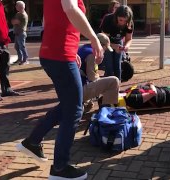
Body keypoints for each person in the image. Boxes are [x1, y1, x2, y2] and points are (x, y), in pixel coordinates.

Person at [16, 0, 103, 179]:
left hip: (56, 53)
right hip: (60, 54)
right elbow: (70, 9)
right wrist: (94, 38)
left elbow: (49, 20)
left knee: (69, 105)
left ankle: (32, 142)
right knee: (75, 109)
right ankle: (60, 168)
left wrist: (71, 52)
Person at [78, 33, 120, 111]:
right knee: (114, 81)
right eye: (105, 48)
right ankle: (107, 111)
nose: (104, 51)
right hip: (78, 91)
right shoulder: (91, 54)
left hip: (72, 88)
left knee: (104, 82)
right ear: (100, 45)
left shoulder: (84, 48)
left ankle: (84, 103)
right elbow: (92, 78)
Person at [100, 5, 134, 81]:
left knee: (118, 65)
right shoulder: (108, 19)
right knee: (109, 65)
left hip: (118, 41)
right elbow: (103, 39)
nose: (123, 23)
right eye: (120, 20)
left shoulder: (129, 23)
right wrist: (113, 46)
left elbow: (129, 38)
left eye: (125, 21)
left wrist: (126, 46)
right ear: (116, 17)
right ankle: (107, 86)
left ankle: (117, 86)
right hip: (106, 41)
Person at [12, 1, 29, 65]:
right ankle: (20, 59)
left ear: (21, 7)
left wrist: (14, 21)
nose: (16, 7)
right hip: (17, 33)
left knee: (22, 47)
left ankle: (25, 59)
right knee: (17, 47)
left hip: (21, 33)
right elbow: (13, 21)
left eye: (17, 6)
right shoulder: (18, 14)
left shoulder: (23, 15)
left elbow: (14, 22)